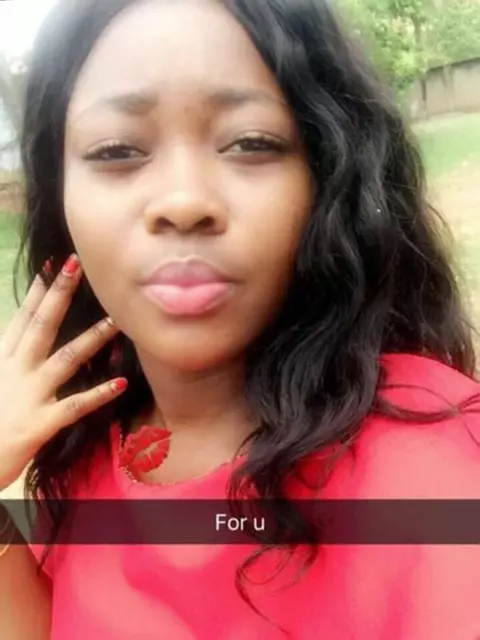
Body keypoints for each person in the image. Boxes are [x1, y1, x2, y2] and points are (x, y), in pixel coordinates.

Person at [1, 0, 480, 637]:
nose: (183, 202)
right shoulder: (87, 440)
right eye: (116, 150)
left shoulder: (429, 472)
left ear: (327, 176)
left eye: (252, 143)